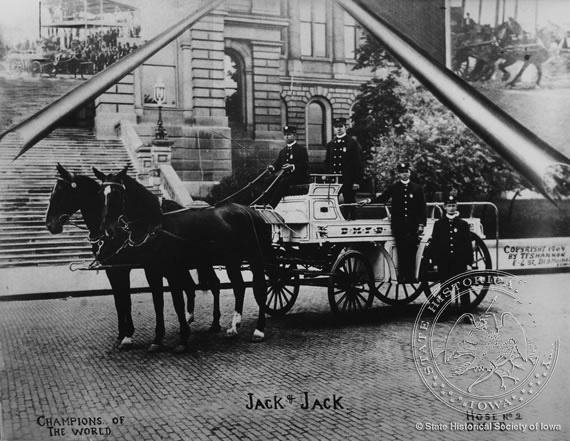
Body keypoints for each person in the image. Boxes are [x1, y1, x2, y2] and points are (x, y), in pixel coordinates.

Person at [364, 162, 427, 282]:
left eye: (406, 172)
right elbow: (382, 198)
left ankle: (411, 275)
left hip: (412, 225)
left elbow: (422, 208)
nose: (404, 174)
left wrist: (421, 224)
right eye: (402, 172)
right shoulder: (394, 188)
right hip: (399, 226)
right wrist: (369, 201)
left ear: (410, 173)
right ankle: (402, 275)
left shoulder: (417, 189)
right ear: (399, 174)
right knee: (402, 250)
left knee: (412, 250)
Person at [429, 195, 473, 308]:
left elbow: (467, 244)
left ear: (456, 206)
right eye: (449, 206)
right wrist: (434, 262)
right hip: (445, 261)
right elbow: (435, 244)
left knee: (463, 287)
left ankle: (466, 313)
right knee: (445, 287)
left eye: (453, 205)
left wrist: (469, 262)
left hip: (459, 261)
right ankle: (443, 312)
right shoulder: (439, 224)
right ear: (445, 207)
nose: (451, 208)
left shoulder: (463, 224)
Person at [324, 117, 364, 220]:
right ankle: (335, 221)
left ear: (345, 127)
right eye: (336, 127)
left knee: (349, 203)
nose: (338, 129)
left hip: (348, 179)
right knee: (333, 202)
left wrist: (356, 181)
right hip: (334, 180)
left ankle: (351, 222)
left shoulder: (352, 143)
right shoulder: (330, 144)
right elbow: (328, 162)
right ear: (333, 128)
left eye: (341, 126)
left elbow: (358, 163)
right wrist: (326, 176)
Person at [264, 125, 309, 207]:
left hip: (299, 177)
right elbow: (277, 164)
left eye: (289, 134)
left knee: (283, 181)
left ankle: (272, 205)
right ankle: (264, 203)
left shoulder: (301, 150)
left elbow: (305, 165)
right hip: (286, 177)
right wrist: (272, 168)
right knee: (268, 180)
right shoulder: (283, 151)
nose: (287, 136)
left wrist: (292, 166)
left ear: (295, 136)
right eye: (285, 135)